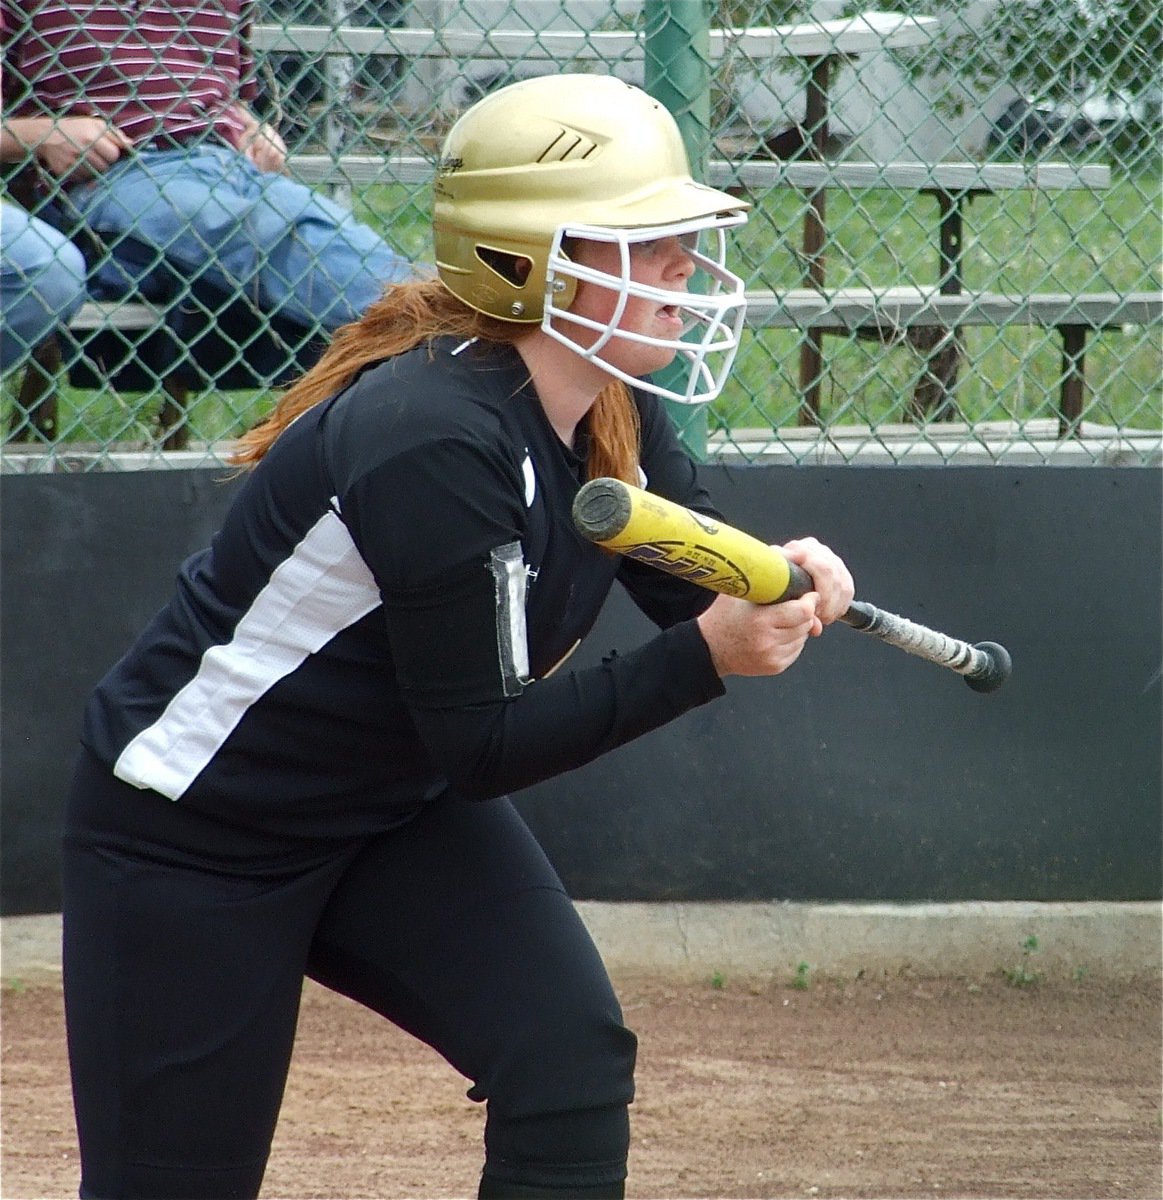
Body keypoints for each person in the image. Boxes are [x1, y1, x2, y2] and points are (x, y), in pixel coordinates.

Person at [61, 73, 855, 1199]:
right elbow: (485, 744)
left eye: (681, 233)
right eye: (645, 238)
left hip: (387, 810)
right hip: (199, 835)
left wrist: (777, 580)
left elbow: (689, 589)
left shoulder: (610, 401)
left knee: (567, 1062)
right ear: (527, 258)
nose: (684, 261)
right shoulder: (431, 436)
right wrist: (707, 658)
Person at [0, 0, 411, 383]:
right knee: (279, 236)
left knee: (326, 228)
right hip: (116, 172)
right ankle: (423, 327)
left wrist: (253, 129)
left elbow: (226, 97)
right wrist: (43, 134)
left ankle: (421, 320)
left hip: (232, 167)